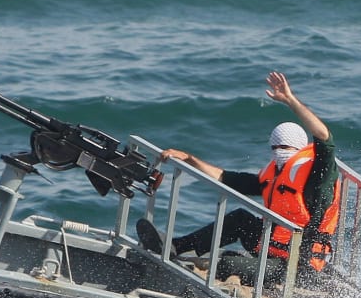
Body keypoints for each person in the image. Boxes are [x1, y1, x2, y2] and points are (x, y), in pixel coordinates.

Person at [138, 71, 341, 284]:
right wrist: (189, 159)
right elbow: (227, 178)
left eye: (286, 147)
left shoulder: (319, 176)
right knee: (239, 219)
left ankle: (223, 273)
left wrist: (290, 100)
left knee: (226, 264)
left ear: (299, 150)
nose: (280, 152)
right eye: (275, 147)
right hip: (273, 249)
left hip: (300, 265)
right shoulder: (276, 175)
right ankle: (175, 246)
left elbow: (324, 138)